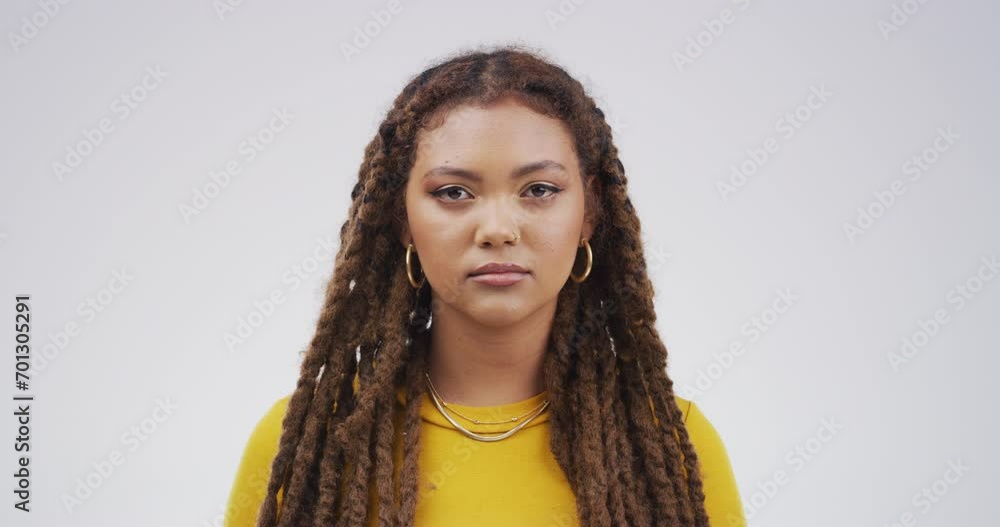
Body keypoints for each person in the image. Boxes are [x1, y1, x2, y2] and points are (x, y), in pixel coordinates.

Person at [224, 44, 746, 527]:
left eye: (539, 189)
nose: (497, 229)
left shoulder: (672, 445)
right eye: (453, 192)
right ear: (404, 220)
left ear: (589, 213)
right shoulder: (309, 447)